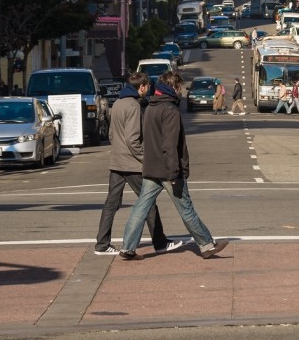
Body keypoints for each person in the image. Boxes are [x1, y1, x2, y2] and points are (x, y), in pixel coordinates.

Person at [119, 71, 228, 259]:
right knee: (186, 208)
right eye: (179, 88)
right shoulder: (170, 110)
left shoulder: (150, 108)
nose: (181, 92)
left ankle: (128, 247)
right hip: (168, 170)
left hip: (151, 167)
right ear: (174, 87)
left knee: (141, 207)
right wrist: (174, 173)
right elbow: (169, 145)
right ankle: (206, 244)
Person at [94, 72, 178, 256]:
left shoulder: (117, 103)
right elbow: (133, 139)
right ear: (141, 87)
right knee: (147, 202)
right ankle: (160, 242)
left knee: (111, 204)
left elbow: (111, 135)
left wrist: (119, 149)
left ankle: (102, 244)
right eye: (147, 86)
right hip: (131, 163)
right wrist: (145, 158)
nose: (148, 90)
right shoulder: (133, 106)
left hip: (116, 161)